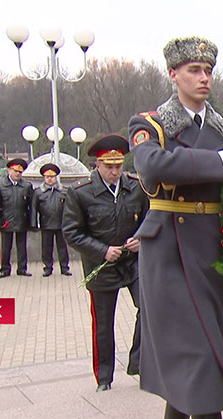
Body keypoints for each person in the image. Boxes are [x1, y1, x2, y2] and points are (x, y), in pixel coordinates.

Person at [128, 36, 223, 419]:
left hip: (211, 250)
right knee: (198, 354)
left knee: (204, 351)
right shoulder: (150, 123)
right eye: (194, 70)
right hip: (168, 252)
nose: (204, 78)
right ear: (173, 74)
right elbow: (152, 165)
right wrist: (218, 163)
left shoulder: (222, 130)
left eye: (208, 71)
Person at [62, 135, 147, 391]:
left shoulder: (136, 186)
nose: (114, 172)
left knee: (150, 307)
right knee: (103, 323)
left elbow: (150, 215)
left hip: (133, 262)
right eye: (109, 167)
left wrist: (141, 238)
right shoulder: (80, 192)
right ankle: (104, 377)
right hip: (101, 266)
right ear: (97, 164)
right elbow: (71, 231)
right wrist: (101, 251)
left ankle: (139, 363)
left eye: (118, 166)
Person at [0, 158, 33, 277]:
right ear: (9, 171)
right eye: (15, 171)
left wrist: (31, 222)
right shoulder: (0, 186)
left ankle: (22, 269)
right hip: (6, 221)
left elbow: (31, 206)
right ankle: (5, 269)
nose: (17, 174)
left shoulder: (26, 186)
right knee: (6, 247)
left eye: (20, 172)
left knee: (22, 246)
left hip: (21, 219)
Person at [30, 163, 72, 277]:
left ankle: (65, 267)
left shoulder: (64, 191)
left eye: (52, 176)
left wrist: (70, 222)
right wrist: (33, 224)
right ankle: (48, 268)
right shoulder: (38, 192)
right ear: (44, 177)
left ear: (56, 177)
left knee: (63, 247)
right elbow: (33, 209)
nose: (49, 179)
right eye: (47, 177)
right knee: (46, 248)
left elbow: (70, 208)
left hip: (61, 224)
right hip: (46, 223)